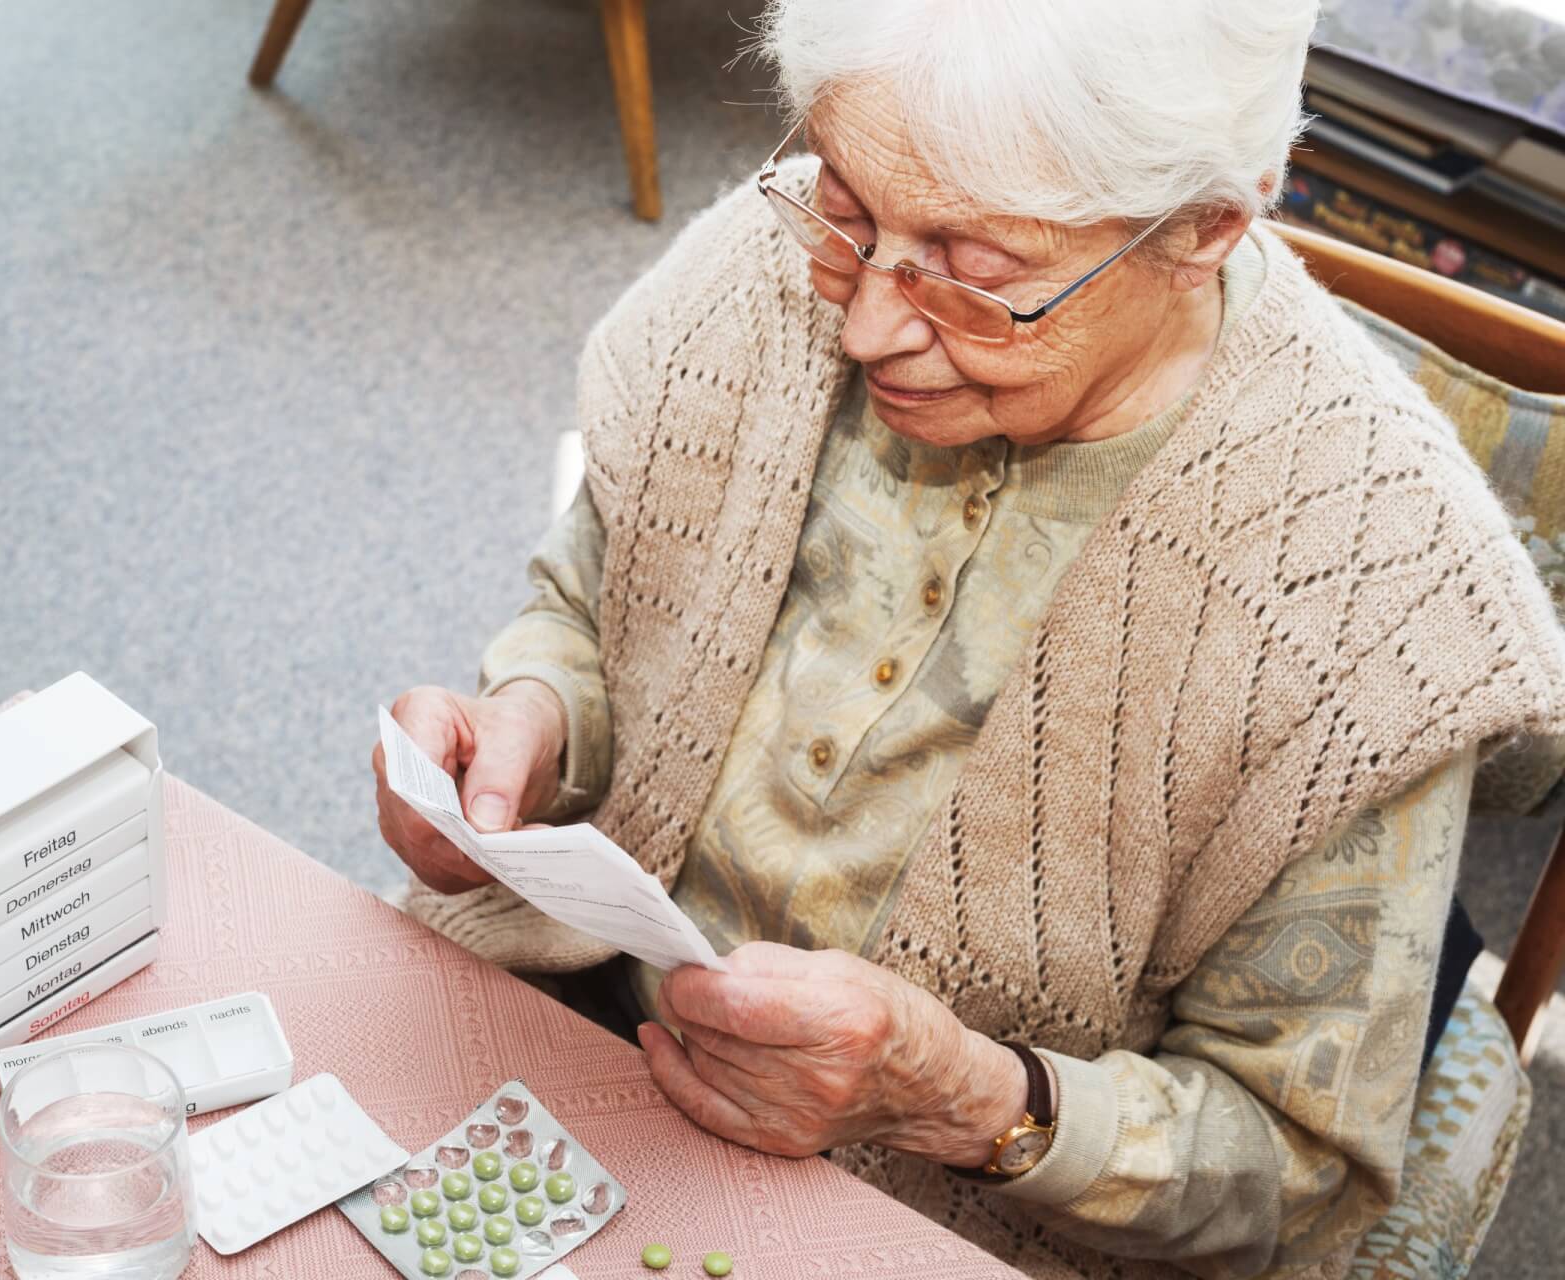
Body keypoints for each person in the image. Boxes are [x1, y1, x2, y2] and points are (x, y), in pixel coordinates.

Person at [371, 2, 1565, 1275]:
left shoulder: (1369, 602)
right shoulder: (794, 247)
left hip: (950, 1217)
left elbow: (1296, 1169)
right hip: (573, 1025)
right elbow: (593, 591)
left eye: (969, 273)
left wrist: (952, 1092)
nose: (865, 324)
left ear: (1206, 228)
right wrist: (533, 723)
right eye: (847, 208)